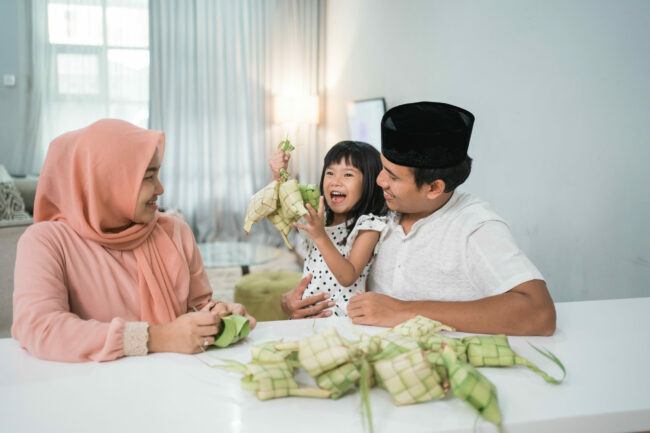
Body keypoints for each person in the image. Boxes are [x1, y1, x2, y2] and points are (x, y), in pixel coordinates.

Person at [281, 102, 556, 336]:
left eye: (392, 175)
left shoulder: (475, 226)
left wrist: (403, 311)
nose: (379, 180)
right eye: (381, 168)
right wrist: (293, 304)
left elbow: (539, 313)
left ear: (434, 188)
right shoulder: (379, 204)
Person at [12, 119, 256, 362]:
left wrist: (217, 319)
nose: (160, 189)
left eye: (157, 175)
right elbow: (40, 327)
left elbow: (198, 307)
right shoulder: (46, 241)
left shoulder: (176, 232)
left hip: (178, 384)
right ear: (107, 181)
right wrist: (158, 337)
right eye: (149, 177)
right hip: (94, 391)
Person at [270, 141, 387, 317]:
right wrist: (280, 174)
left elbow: (348, 277)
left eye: (348, 174)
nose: (335, 181)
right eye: (330, 173)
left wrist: (320, 236)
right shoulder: (321, 218)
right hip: (307, 314)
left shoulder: (367, 225)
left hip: (341, 319)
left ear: (369, 183)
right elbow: (288, 203)